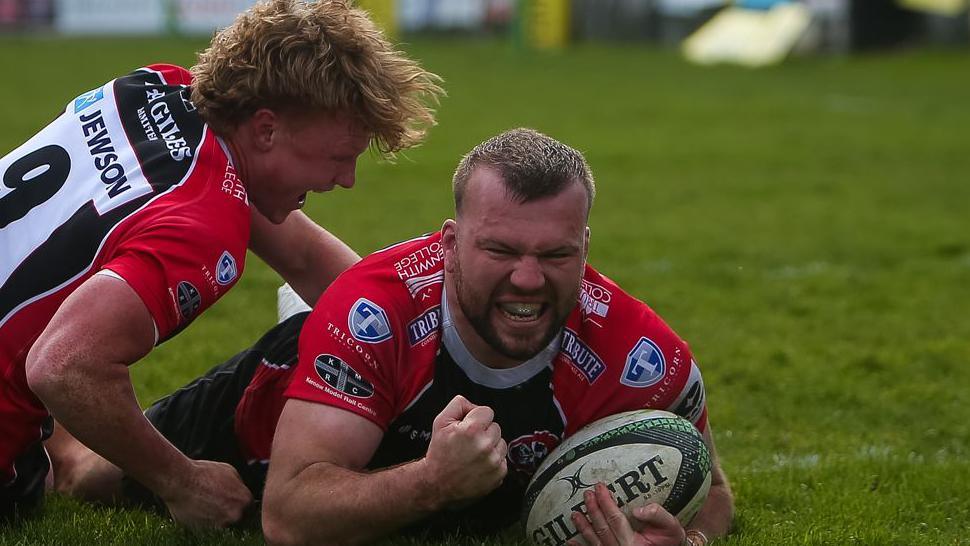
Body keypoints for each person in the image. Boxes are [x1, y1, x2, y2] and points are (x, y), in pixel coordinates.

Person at [54, 129, 733, 545]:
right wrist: (434, 482)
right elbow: (288, 518)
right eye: (500, 250)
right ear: (450, 243)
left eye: (556, 255)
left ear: (585, 246)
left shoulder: (640, 356)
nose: (528, 279)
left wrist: (686, 540)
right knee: (89, 480)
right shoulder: (373, 314)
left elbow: (714, 494)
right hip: (272, 408)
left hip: (378, 377)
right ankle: (53, 423)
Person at [0, 0, 443, 527]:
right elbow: (63, 366)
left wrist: (416, 336)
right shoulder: (205, 227)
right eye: (338, 157)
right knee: (48, 449)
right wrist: (181, 481)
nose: (346, 179)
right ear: (266, 130)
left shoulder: (155, 87)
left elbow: (302, 256)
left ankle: (67, 453)